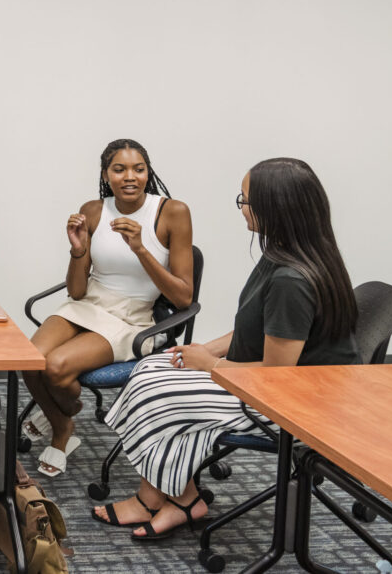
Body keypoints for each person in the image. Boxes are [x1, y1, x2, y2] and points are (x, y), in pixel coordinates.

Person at [93, 157, 358, 541]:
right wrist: (202, 350)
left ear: (275, 208)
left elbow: (276, 376)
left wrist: (211, 365)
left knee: (157, 394)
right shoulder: (282, 252)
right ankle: (166, 497)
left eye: (245, 200)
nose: (241, 207)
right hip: (271, 381)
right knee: (151, 368)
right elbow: (251, 330)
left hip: (293, 404)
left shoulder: (291, 279)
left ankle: (172, 500)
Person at [21, 139, 194, 477]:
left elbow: (183, 298)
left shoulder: (173, 212)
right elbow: (76, 290)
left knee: (55, 367)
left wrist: (141, 249)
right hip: (88, 304)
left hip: (131, 317)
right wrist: (77, 250)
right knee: (29, 358)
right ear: (106, 175)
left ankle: (59, 430)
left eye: (138, 169)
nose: (130, 177)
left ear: (148, 172)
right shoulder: (93, 210)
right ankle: (62, 418)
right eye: (120, 169)